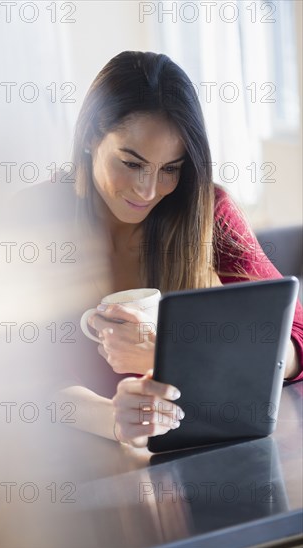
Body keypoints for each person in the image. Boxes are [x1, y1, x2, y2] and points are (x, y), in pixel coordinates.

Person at [56, 50, 303, 448]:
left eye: (170, 168)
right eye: (132, 163)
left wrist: (172, 355)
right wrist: (116, 422)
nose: (149, 190)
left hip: (188, 453)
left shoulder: (206, 210)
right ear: (89, 137)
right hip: (72, 464)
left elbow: (295, 339)